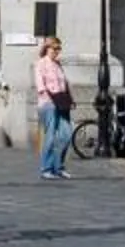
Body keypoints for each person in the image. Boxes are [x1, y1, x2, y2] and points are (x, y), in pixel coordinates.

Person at [35, 33, 72, 180]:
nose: (57, 51)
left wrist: (70, 98)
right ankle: (47, 168)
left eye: (59, 49)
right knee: (50, 136)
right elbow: (40, 85)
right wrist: (50, 97)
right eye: (54, 48)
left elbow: (65, 84)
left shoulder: (58, 65)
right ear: (47, 48)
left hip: (62, 102)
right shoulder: (41, 63)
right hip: (48, 103)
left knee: (66, 134)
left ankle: (59, 166)